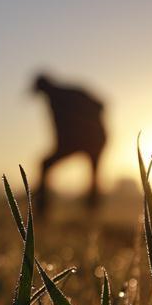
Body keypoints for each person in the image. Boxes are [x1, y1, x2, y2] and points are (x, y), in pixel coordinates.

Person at [30, 73, 107, 210]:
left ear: (45, 87)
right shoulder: (53, 101)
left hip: (93, 139)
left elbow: (101, 106)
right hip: (77, 141)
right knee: (45, 164)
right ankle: (42, 205)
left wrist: (83, 125)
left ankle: (91, 208)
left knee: (93, 174)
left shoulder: (69, 93)